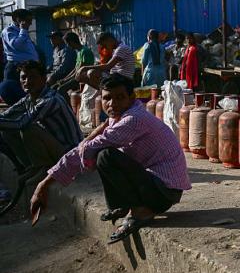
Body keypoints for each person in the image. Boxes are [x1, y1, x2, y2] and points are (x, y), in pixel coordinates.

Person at [30, 73, 191, 243]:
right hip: (158, 187)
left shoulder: (134, 119)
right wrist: (90, 137)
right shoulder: (124, 114)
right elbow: (96, 135)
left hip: (163, 193)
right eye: (107, 98)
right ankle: (122, 205)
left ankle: (141, 211)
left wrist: (44, 184)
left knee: (105, 155)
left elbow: (87, 149)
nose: (112, 104)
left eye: (119, 97)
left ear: (132, 97)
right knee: (102, 154)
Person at [0, 60, 82, 205]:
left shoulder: (50, 99)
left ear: (43, 79)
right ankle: (33, 166)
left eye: (32, 77)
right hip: (56, 147)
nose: (27, 81)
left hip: (70, 153)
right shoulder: (28, 99)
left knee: (28, 127)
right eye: (23, 78)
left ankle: (43, 167)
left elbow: (22, 123)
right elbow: (7, 115)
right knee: (7, 131)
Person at [1, 9, 38, 105]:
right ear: (18, 20)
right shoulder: (9, 30)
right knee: (17, 98)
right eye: (28, 20)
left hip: (27, 66)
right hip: (15, 67)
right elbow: (16, 45)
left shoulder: (22, 32)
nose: (30, 23)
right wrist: (23, 30)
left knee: (28, 95)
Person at [54, 32, 95, 96]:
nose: (67, 46)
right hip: (77, 77)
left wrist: (66, 80)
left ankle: (67, 105)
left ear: (72, 42)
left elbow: (80, 71)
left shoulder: (84, 51)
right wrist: (64, 79)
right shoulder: (79, 52)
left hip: (83, 78)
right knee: (55, 86)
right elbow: (75, 69)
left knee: (60, 89)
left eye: (67, 43)